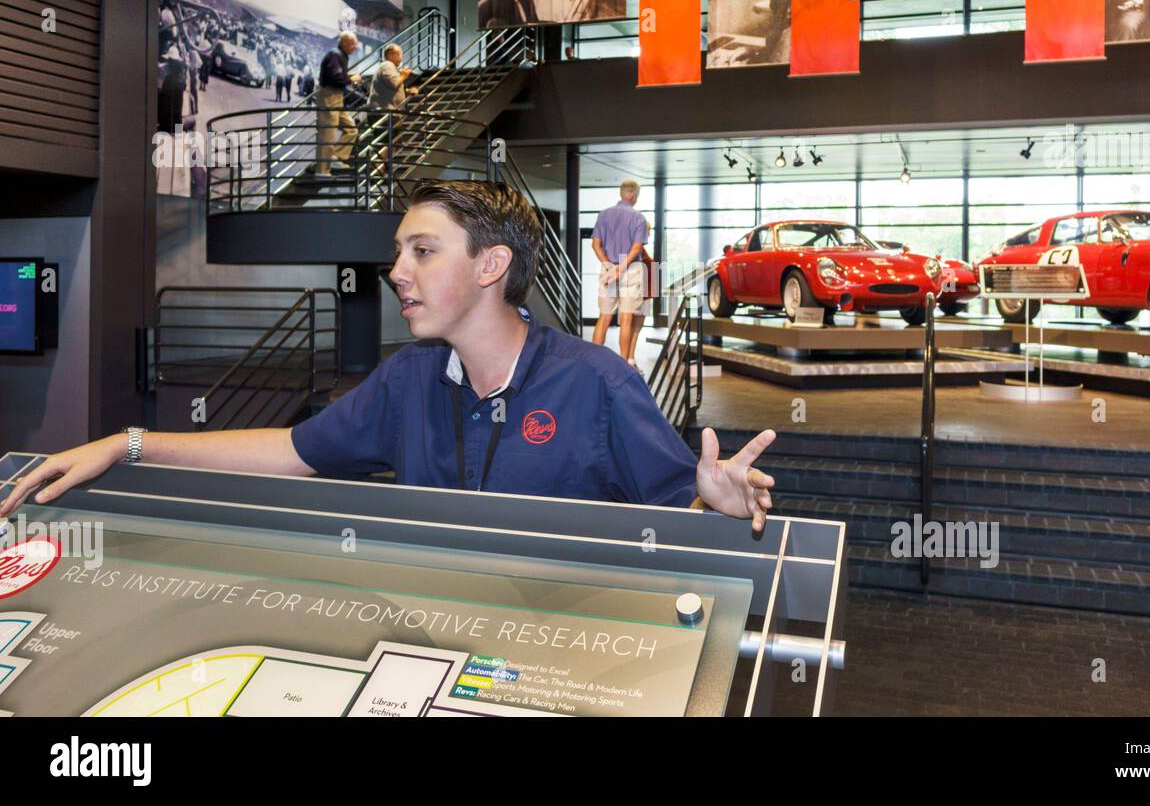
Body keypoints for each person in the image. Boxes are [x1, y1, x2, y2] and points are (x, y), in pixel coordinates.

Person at [0, 181, 776, 530]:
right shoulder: (408, 375)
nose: (397, 269)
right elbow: (291, 450)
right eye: (398, 250)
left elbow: (682, 524)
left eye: (423, 249)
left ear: (490, 265)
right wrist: (128, 443)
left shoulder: (600, 382)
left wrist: (718, 500)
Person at [591, 180, 650, 368]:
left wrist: (609, 266)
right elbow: (636, 248)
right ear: (633, 196)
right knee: (626, 318)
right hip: (630, 269)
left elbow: (595, 244)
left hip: (609, 268)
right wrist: (621, 268)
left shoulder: (604, 215)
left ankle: (594, 364)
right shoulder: (638, 218)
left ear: (621, 193)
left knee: (604, 317)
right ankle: (624, 366)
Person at [365, 43, 418, 174]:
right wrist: (404, 75)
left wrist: (406, 91)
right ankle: (378, 169)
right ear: (391, 55)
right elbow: (394, 83)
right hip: (384, 112)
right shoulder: (387, 66)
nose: (401, 58)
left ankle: (381, 169)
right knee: (386, 141)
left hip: (386, 111)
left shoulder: (389, 68)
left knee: (390, 141)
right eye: (400, 54)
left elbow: (390, 87)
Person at [316, 31, 361, 174]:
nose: (355, 47)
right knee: (328, 134)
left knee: (351, 129)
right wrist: (350, 79)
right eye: (353, 43)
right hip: (330, 96)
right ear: (344, 43)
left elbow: (335, 75)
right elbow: (335, 78)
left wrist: (347, 76)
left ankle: (335, 157)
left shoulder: (339, 55)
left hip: (336, 97)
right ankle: (322, 171)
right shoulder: (335, 54)